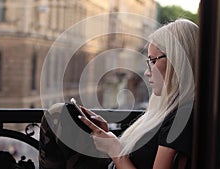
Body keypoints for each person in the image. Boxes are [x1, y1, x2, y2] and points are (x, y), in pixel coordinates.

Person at [79, 18, 199, 169]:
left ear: (178, 61)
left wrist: (114, 150)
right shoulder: (173, 111)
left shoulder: (183, 118)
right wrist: (109, 137)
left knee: (60, 118)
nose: (147, 72)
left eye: (153, 61)